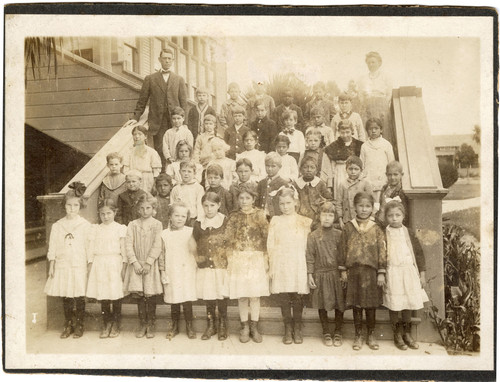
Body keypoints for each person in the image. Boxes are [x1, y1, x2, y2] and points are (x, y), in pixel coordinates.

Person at [339, 192, 387, 351]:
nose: (364, 209)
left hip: (371, 272)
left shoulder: (377, 228)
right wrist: (343, 270)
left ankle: (371, 335)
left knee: (371, 305)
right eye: (361, 206)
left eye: (367, 206)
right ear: (355, 208)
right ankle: (358, 335)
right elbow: (342, 249)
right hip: (354, 271)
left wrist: (381, 271)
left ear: (372, 208)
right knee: (357, 305)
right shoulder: (348, 227)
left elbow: (382, 250)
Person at [44, 182, 92, 339]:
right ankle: (68, 323)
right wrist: (52, 264)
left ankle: (79, 324)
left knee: (78, 295)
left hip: (79, 263)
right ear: (64, 206)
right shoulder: (58, 226)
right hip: (63, 263)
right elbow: (53, 246)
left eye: (75, 205)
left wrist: (89, 264)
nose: (72, 208)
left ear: (80, 206)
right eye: (69, 205)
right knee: (66, 294)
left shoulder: (85, 225)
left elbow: (89, 246)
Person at [126, 48, 188, 168]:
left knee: (177, 148)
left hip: (175, 122)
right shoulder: (150, 78)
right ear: (160, 60)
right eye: (164, 58)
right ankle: (162, 176)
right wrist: (135, 117)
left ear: (173, 60)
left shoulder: (179, 79)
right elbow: (142, 100)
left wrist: (184, 123)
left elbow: (183, 103)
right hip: (158, 122)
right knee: (160, 150)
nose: (167, 61)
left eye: (169, 58)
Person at [225, 183, 270, 343]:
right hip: (239, 258)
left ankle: (254, 326)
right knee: (242, 295)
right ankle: (244, 326)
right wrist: (230, 258)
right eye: (241, 198)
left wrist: (265, 258)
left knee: (254, 295)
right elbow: (228, 239)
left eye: (247, 198)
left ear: (253, 199)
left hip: (256, 257)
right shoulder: (234, 216)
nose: (244, 201)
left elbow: (266, 238)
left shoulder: (260, 215)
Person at [267, 187, 312, 344]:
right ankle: (288, 328)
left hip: (297, 261)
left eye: (288, 203)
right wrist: (272, 264)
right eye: (282, 203)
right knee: (284, 295)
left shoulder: (304, 221)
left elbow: (308, 245)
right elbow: (270, 244)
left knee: (297, 295)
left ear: (295, 203)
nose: (285, 207)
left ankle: (297, 327)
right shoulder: (275, 221)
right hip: (281, 262)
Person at [382, 200, 428, 351]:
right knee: (395, 304)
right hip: (392, 271)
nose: (394, 218)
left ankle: (407, 334)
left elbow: (419, 254)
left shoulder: (408, 232)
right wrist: (382, 273)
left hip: (408, 271)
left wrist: (421, 274)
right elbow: (381, 254)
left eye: (397, 215)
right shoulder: (384, 232)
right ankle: (397, 334)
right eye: (390, 215)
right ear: (386, 217)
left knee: (407, 302)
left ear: (403, 216)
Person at [123, 194, 163, 338]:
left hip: (149, 265)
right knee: (139, 296)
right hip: (137, 264)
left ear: (153, 209)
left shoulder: (157, 224)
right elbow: (128, 244)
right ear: (138, 210)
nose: (145, 211)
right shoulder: (132, 224)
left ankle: (151, 324)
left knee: (150, 295)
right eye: (142, 208)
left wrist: (148, 262)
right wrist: (134, 262)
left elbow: (157, 244)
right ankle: (142, 323)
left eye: (148, 208)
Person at [86, 199, 127, 338]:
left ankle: (115, 323)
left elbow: (123, 249)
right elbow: (90, 249)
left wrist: (124, 265)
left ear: (115, 212)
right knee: (103, 294)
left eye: (109, 213)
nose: (106, 216)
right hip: (100, 262)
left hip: (115, 262)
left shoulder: (120, 228)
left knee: (115, 294)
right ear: (99, 214)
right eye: (102, 214)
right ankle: (106, 323)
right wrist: (90, 264)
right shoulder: (95, 229)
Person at [306, 202, 345, 347]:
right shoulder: (313, 235)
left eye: (330, 215)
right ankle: (326, 331)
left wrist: (343, 272)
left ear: (334, 217)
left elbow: (343, 255)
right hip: (320, 274)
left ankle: (338, 331)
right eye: (324, 214)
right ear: (319, 216)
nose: (327, 218)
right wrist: (310, 274)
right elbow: (310, 256)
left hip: (336, 274)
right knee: (321, 303)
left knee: (339, 303)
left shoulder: (340, 234)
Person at [193, 192, 230, 341]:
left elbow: (229, 242)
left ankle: (222, 325)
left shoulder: (225, 221)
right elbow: (194, 243)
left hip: (220, 266)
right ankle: (211, 325)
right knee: (208, 296)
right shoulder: (198, 223)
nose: (209, 209)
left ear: (219, 205)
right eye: (206, 206)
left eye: (212, 205)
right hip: (205, 266)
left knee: (221, 296)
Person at [160, 202, 198, 339]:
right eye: (176, 215)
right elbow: (162, 254)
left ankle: (189, 326)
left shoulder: (190, 231)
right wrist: (163, 271)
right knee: (174, 299)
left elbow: (195, 251)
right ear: (170, 216)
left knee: (187, 298)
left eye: (183, 216)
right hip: (172, 269)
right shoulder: (164, 234)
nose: (180, 219)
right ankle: (174, 326)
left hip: (186, 269)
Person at [357, 51, 394, 146]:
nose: (371, 64)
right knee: (368, 129)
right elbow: (360, 94)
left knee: (382, 129)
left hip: (381, 106)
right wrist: (366, 104)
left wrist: (383, 105)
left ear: (379, 63)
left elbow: (389, 94)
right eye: (369, 62)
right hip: (367, 106)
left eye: (373, 62)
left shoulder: (386, 77)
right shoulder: (362, 78)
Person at [322, 119, 363, 198]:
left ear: (352, 131)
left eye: (347, 132)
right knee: (341, 194)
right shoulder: (333, 146)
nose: (345, 135)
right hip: (340, 171)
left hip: (355, 171)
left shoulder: (359, 145)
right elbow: (331, 165)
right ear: (339, 132)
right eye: (342, 132)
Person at [360, 117, 395, 202]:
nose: (373, 131)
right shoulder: (364, 146)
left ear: (381, 130)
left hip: (383, 180)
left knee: (382, 203)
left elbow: (392, 164)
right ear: (367, 131)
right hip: (369, 180)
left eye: (376, 128)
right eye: (370, 129)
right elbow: (362, 165)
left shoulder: (386, 144)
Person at [293, 156, 332, 228]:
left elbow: (329, 199)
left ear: (316, 170)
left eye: (312, 167)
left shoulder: (320, 183)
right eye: (305, 167)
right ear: (300, 170)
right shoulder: (296, 184)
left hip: (316, 218)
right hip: (301, 217)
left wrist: (323, 204)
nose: (309, 170)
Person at [335, 156, 373, 229]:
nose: (353, 172)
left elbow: (372, 202)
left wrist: (371, 217)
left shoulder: (365, 184)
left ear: (361, 170)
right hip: (347, 219)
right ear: (346, 169)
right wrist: (340, 219)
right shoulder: (343, 184)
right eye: (350, 169)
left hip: (363, 219)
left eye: (356, 169)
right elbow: (338, 203)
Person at [123, 125, 162, 193]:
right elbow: (126, 169)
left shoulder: (151, 152)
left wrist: (154, 184)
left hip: (147, 179)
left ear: (145, 136)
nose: (137, 136)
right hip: (133, 180)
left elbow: (156, 170)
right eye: (135, 134)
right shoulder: (129, 152)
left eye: (140, 134)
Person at [170, 160, 205, 225]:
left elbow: (200, 206)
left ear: (194, 173)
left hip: (193, 219)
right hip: (179, 219)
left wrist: (199, 221)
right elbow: (173, 205)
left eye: (189, 171)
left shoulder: (199, 188)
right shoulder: (176, 189)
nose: (186, 174)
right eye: (183, 171)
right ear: (179, 172)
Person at [256, 152, 289, 220]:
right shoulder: (261, 183)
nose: (270, 169)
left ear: (280, 167)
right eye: (267, 166)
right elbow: (257, 202)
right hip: (262, 218)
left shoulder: (283, 184)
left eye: (273, 166)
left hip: (277, 219)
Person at [376, 161, 409, 227]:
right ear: (386, 174)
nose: (392, 177)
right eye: (389, 175)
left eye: (395, 174)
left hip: (397, 223)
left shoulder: (403, 191)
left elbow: (405, 213)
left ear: (401, 174)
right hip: (384, 221)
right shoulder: (384, 188)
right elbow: (381, 205)